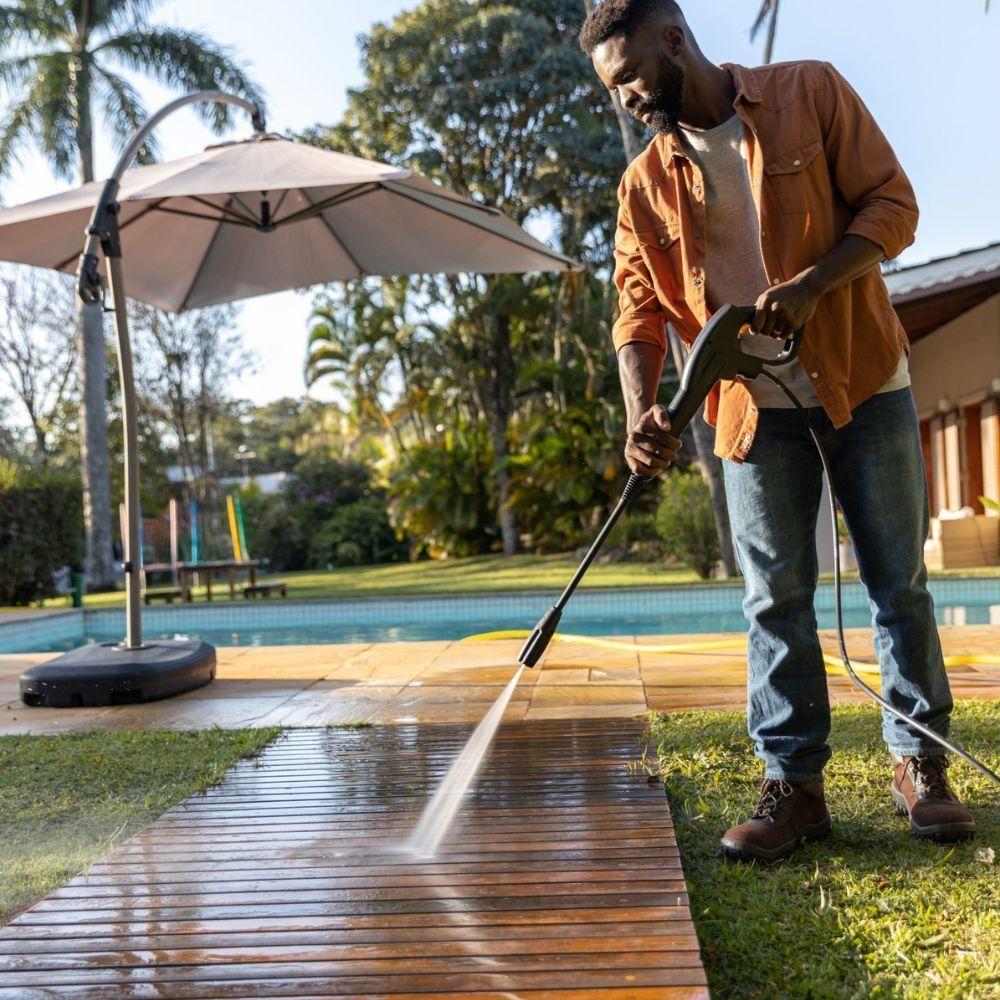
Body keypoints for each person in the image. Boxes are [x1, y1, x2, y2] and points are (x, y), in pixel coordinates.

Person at [579, 0, 976, 862]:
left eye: (632, 77)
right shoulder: (642, 184)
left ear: (675, 40)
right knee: (773, 601)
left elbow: (892, 207)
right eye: (613, 90)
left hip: (864, 378)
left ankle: (923, 765)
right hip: (749, 409)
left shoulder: (810, 93)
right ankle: (795, 789)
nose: (628, 101)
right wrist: (641, 411)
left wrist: (812, 285)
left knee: (896, 584)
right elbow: (637, 312)